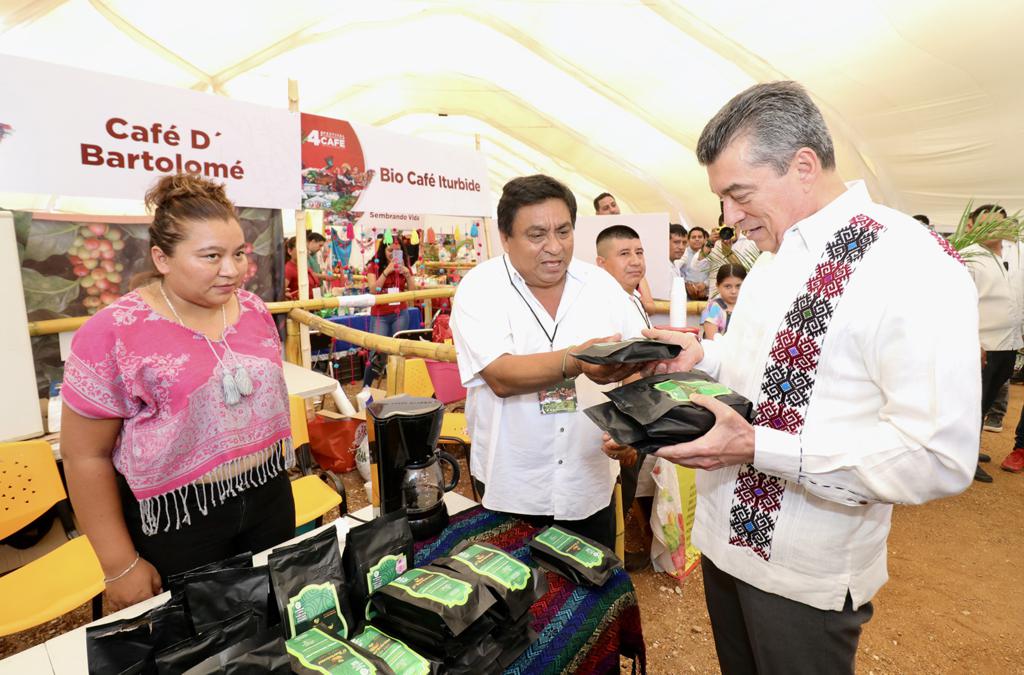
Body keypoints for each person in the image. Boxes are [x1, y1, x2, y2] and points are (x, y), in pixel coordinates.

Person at [605, 81, 978, 674]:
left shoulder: (911, 265)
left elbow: (938, 455)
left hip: (804, 573)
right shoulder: (772, 261)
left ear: (803, 166)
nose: (729, 218)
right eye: (721, 199)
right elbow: (760, 366)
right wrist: (700, 358)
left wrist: (760, 446)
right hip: (723, 542)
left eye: (739, 194)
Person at [60, 174, 295, 610]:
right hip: (180, 521)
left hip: (268, 495)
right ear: (162, 258)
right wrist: (119, 564)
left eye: (238, 253)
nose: (232, 270)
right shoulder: (114, 332)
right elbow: (84, 456)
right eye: (211, 256)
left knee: (274, 614)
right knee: (200, 634)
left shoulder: (254, 310)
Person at [452, 175, 649, 549]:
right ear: (505, 237)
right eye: (537, 235)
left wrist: (631, 429)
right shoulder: (481, 288)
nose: (554, 247)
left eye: (563, 231)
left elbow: (638, 365)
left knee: (590, 581)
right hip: (513, 484)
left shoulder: (601, 286)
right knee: (513, 581)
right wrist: (578, 360)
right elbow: (500, 376)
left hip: (587, 480)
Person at [594, 225, 657, 568]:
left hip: (637, 409)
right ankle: (609, 561)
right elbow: (623, 368)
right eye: (624, 254)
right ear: (601, 263)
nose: (635, 261)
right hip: (621, 414)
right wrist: (630, 428)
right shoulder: (605, 303)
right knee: (616, 486)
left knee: (625, 485)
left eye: (639, 252)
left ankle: (614, 554)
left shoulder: (631, 298)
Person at [963, 204, 1022, 482]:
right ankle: (965, 458)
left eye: (997, 223)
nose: (991, 229)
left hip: (1009, 343)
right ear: (973, 225)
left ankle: (971, 450)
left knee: (986, 402)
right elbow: (961, 306)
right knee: (973, 404)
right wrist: (973, 342)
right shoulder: (968, 256)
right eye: (984, 223)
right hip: (983, 346)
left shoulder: (1016, 253)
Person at [361, 237, 415, 387]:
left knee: (398, 351)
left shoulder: (405, 267)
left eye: (397, 251)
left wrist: (407, 274)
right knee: (376, 353)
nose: (393, 254)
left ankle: (396, 388)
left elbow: (413, 292)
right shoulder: (374, 266)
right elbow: (373, 290)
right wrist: (387, 271)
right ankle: (366, 389)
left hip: (400, 314)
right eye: (390, 250)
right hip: (380, 316)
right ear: (383, 250)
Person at [701, 263, 746, 339]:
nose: (734, 291)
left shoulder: (748, 306)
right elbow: (711, 339)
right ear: (717, 286)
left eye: (738, 286)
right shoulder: (714, 308)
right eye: (728, 286)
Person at [681, 226, 711, 300]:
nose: (697, 239)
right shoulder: (682, 253)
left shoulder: (711, 253)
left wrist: (705, 284)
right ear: (688, 240)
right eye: (693, 237)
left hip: (706, 295)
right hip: (686, 295)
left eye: (700, 237)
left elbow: (714, 273)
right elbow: (678, 273)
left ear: (705, 239)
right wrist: (686, 284)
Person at [284, 235, 318, 300]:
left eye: (307, 248)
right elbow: (281, 294)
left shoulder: (303, 266)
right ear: (289, 251)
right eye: (301, 249)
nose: (305, 252)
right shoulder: (288, 269)